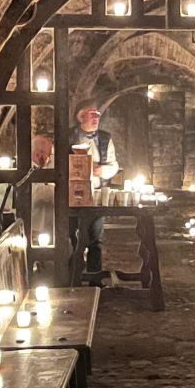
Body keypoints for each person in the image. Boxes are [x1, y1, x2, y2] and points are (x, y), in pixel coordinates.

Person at [70, 104, 119, 281]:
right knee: (72, 237)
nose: (96, 118)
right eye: (92, 114)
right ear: (80, 117)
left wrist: (101, 170)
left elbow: (114, 164)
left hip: (97, 193)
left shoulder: (105, 138)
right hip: (73, 194)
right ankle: (72, 276)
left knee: (96, 239)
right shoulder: (69, 136)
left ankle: (94, 278)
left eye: (97, 114)